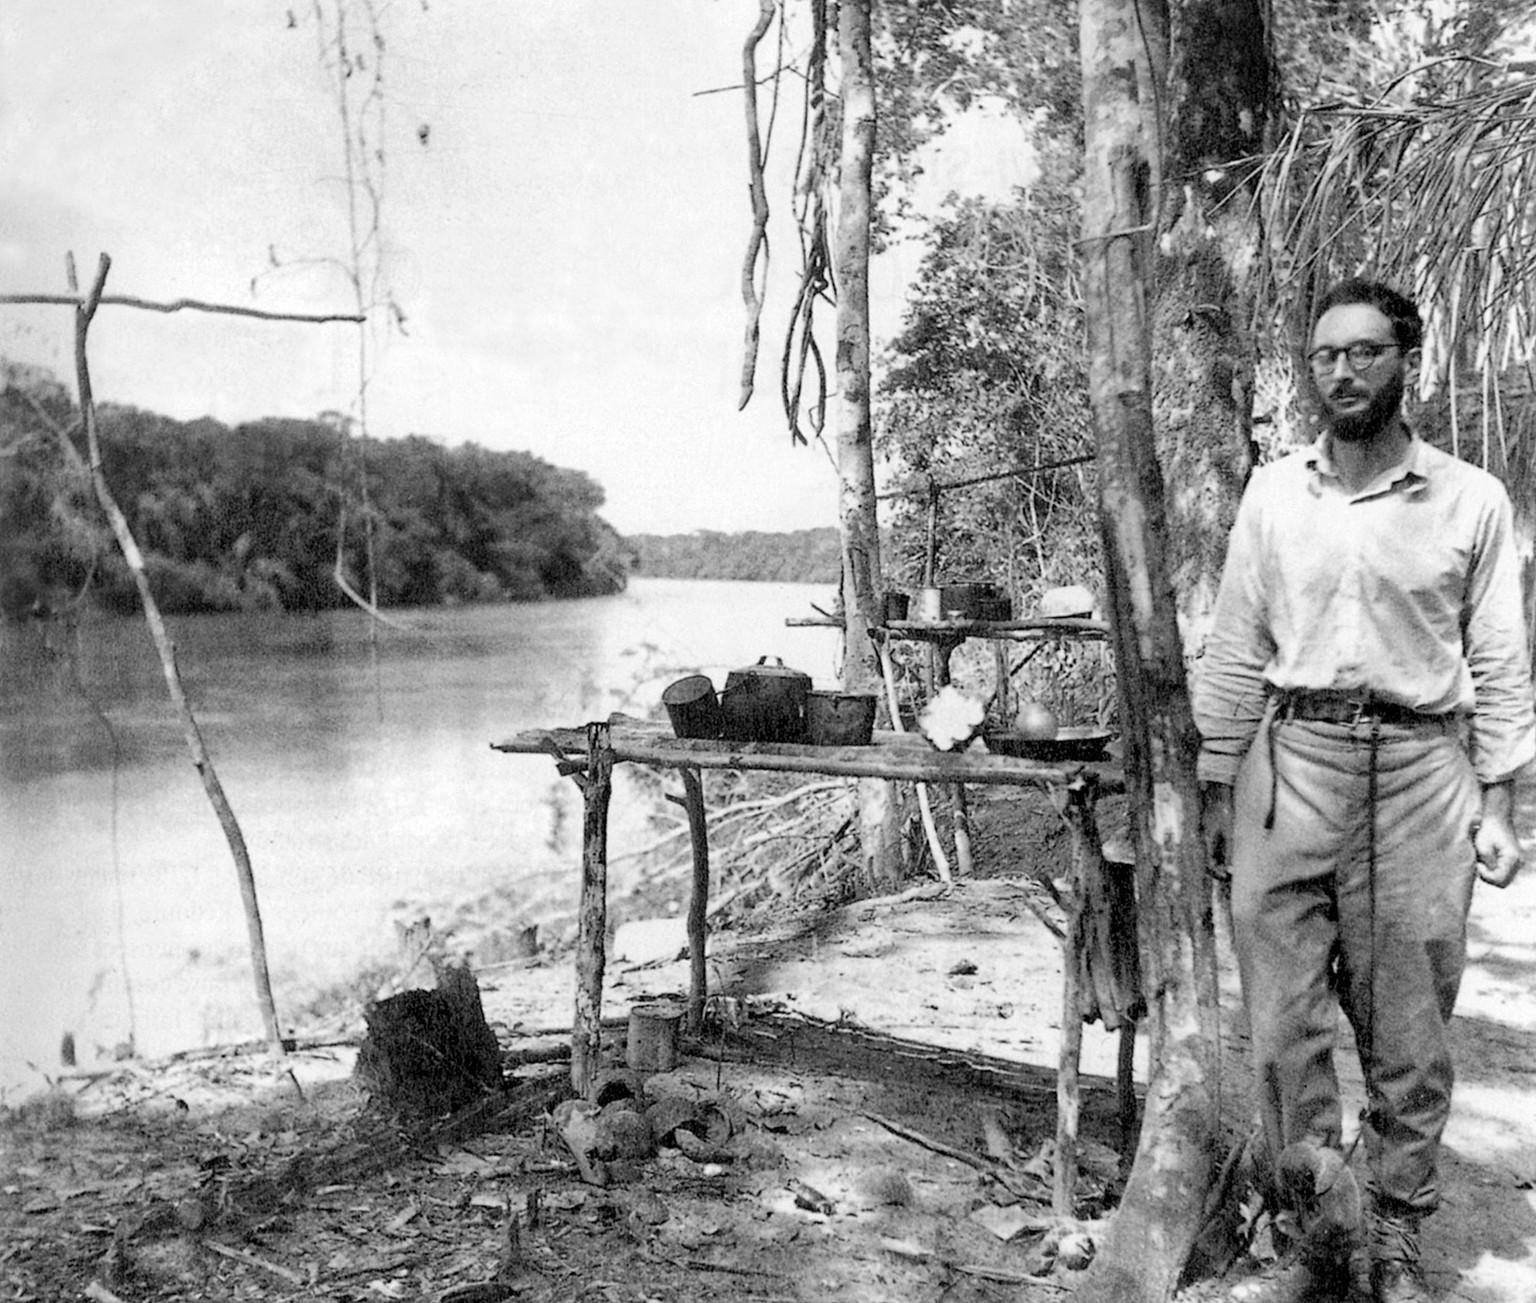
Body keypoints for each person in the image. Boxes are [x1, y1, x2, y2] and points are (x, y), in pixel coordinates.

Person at [1194, 278, 1535, 1303]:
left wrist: (1504, 804)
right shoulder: (1274, 493)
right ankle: (1316, 1228)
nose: (1342, 372)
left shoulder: (1470, 498)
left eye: (1365, 352)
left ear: (1408, 363)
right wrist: (1218, 785)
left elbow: (1503, 661)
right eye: (1326, 354)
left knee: (1409, 1030)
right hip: (1291, 762)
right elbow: (1236, 644)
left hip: (1423, 771)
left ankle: (1393, 1235)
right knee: (1285, 1021)